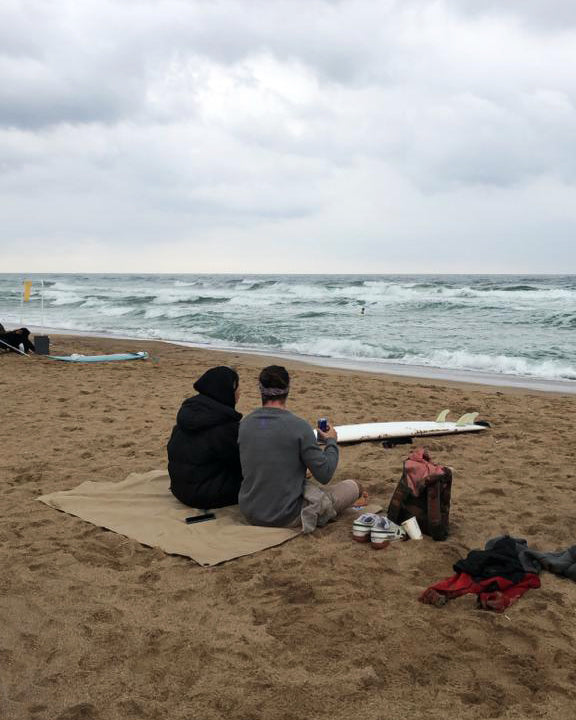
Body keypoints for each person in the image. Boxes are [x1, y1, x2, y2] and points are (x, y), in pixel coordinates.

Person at [238, 365, 363, 531]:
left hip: (251, 511)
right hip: (285, 515)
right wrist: (332, 442)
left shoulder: (245, 424)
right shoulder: (299, 427)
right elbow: (325, 475)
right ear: (287, 389)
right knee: (354, 486)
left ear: (260, 389)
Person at [167, 366, 243, 509]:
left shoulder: (188, 412)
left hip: (179, 488)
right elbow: (241, 463)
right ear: (228, 389)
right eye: (237, 387)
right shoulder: (224, 425)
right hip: (203, 496)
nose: (240, 392)